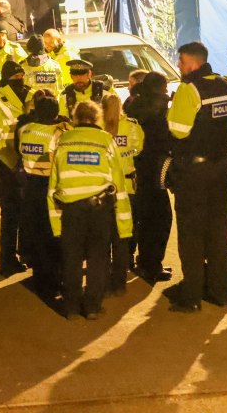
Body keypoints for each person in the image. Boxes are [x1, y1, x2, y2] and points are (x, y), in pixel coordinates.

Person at [164, 42, 227, 313]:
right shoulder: (226, 86)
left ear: (193, 63)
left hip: (194, 171)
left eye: (181, 62)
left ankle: (191, 294)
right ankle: (220, 291)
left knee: (192, 233)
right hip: (221, 166)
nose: (180, 66)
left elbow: (179, 130)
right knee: (218, 230)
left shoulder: (188, 89)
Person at [48, 101, 131, 320]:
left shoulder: (63, 141)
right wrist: (124, 223)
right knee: (98, 257)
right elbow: (118, 182)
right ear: (97, 118)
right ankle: (93, 306)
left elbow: (53, 184)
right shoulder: (106, 140)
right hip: (99, 208)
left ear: (75, 118)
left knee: (72, 257)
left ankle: (71, 307)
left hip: (71, 209)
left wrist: (56, 224)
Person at [15, 92, 68, 297]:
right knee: (52, 235)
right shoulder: (57, 133)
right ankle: (53, 280)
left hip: (30, 186)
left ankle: (39, 278)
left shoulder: (26, 129)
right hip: (49, 186)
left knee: (35, 233)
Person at [124, 71, 173, 282]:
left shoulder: (133, 104)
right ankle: (150, 265)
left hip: (138, 170)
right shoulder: (158, 109)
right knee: (160, 220)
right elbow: (166, 138)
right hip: (155, 170)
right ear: (159, 88)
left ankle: (138, 261)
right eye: (164, 88)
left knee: (141, 219)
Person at [0, 60, 31, 276]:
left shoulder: (31, 94)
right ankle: (7, 260)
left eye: (21, 77)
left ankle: (27, 253)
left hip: (31, 164)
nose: (20, 81)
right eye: (15, 78)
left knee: (29, 214)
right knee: (11, 214)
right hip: (9, 166)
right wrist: (13, 163)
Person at [102, 93, 144, 296]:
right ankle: (119, 282)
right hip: (127, 187)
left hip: (103, 188)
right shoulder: (132, 126)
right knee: (123, 235)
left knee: (103, 238)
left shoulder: (97, 130)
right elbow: (139, 148)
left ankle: (100, 281)